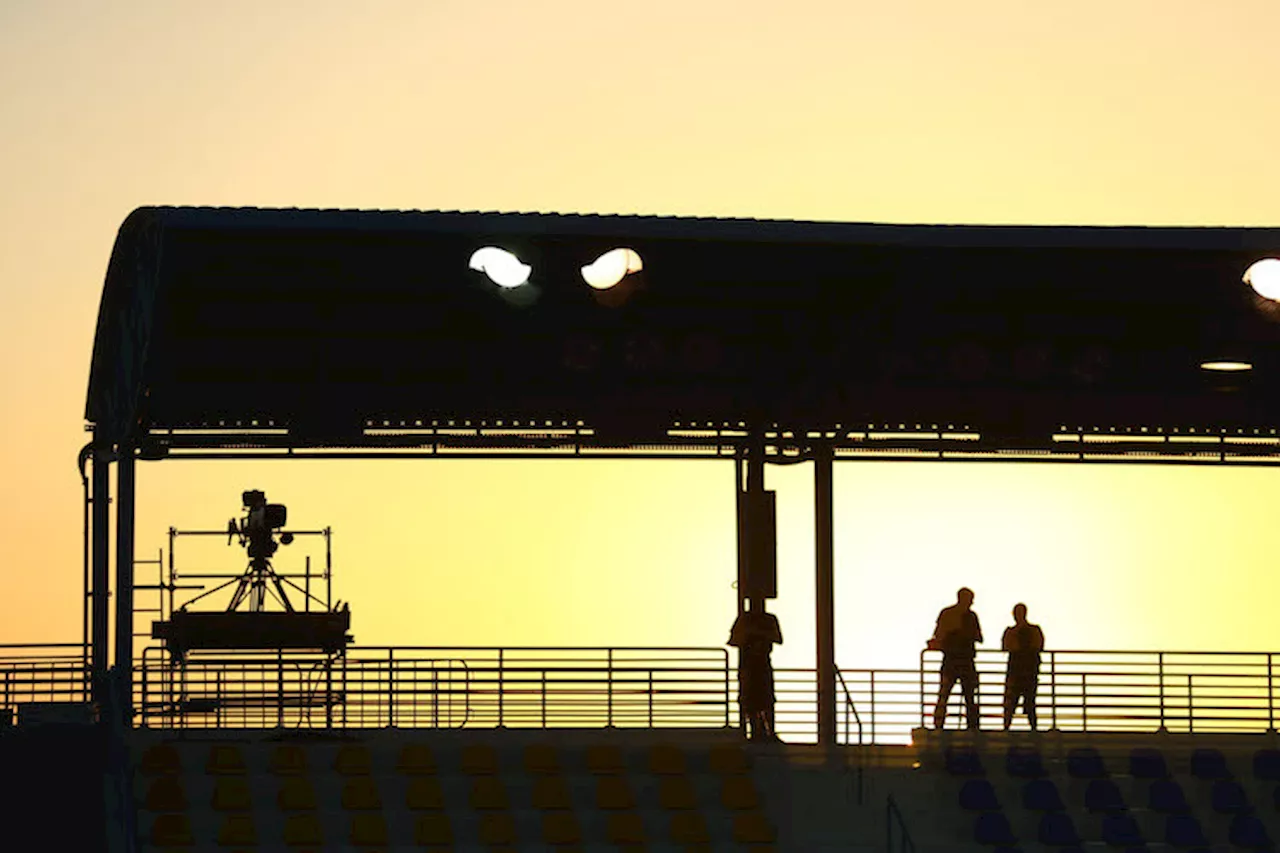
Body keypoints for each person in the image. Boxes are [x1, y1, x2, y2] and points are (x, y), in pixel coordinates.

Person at [728, 599, 783, 742]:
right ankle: (753, 731)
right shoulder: (744, 619)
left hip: (763, 664)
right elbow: (733, 640)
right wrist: (749, 634)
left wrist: (759, 634)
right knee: (749, 699)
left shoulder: (769, 619)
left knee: (767, 699)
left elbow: (778, 638)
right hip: (748, 665)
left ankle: (770, 731)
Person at [928, 587, 983, 730]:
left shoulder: (959, 615)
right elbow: (939, 635)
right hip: (957, 660)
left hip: (959, 660)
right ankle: (968, 726)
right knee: (951, 695)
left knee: (959, 695)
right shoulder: (959, 615)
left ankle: (944, 724)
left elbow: (978, 636)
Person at [1001, 603, 1045, 730]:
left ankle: (1009, 728)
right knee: (1023, 702)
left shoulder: (1016, 631)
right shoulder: (1033, 630)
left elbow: (1006, 646)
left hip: (1021, 671)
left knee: (1022, 702)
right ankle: (1031, 728)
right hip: (1024, 671)